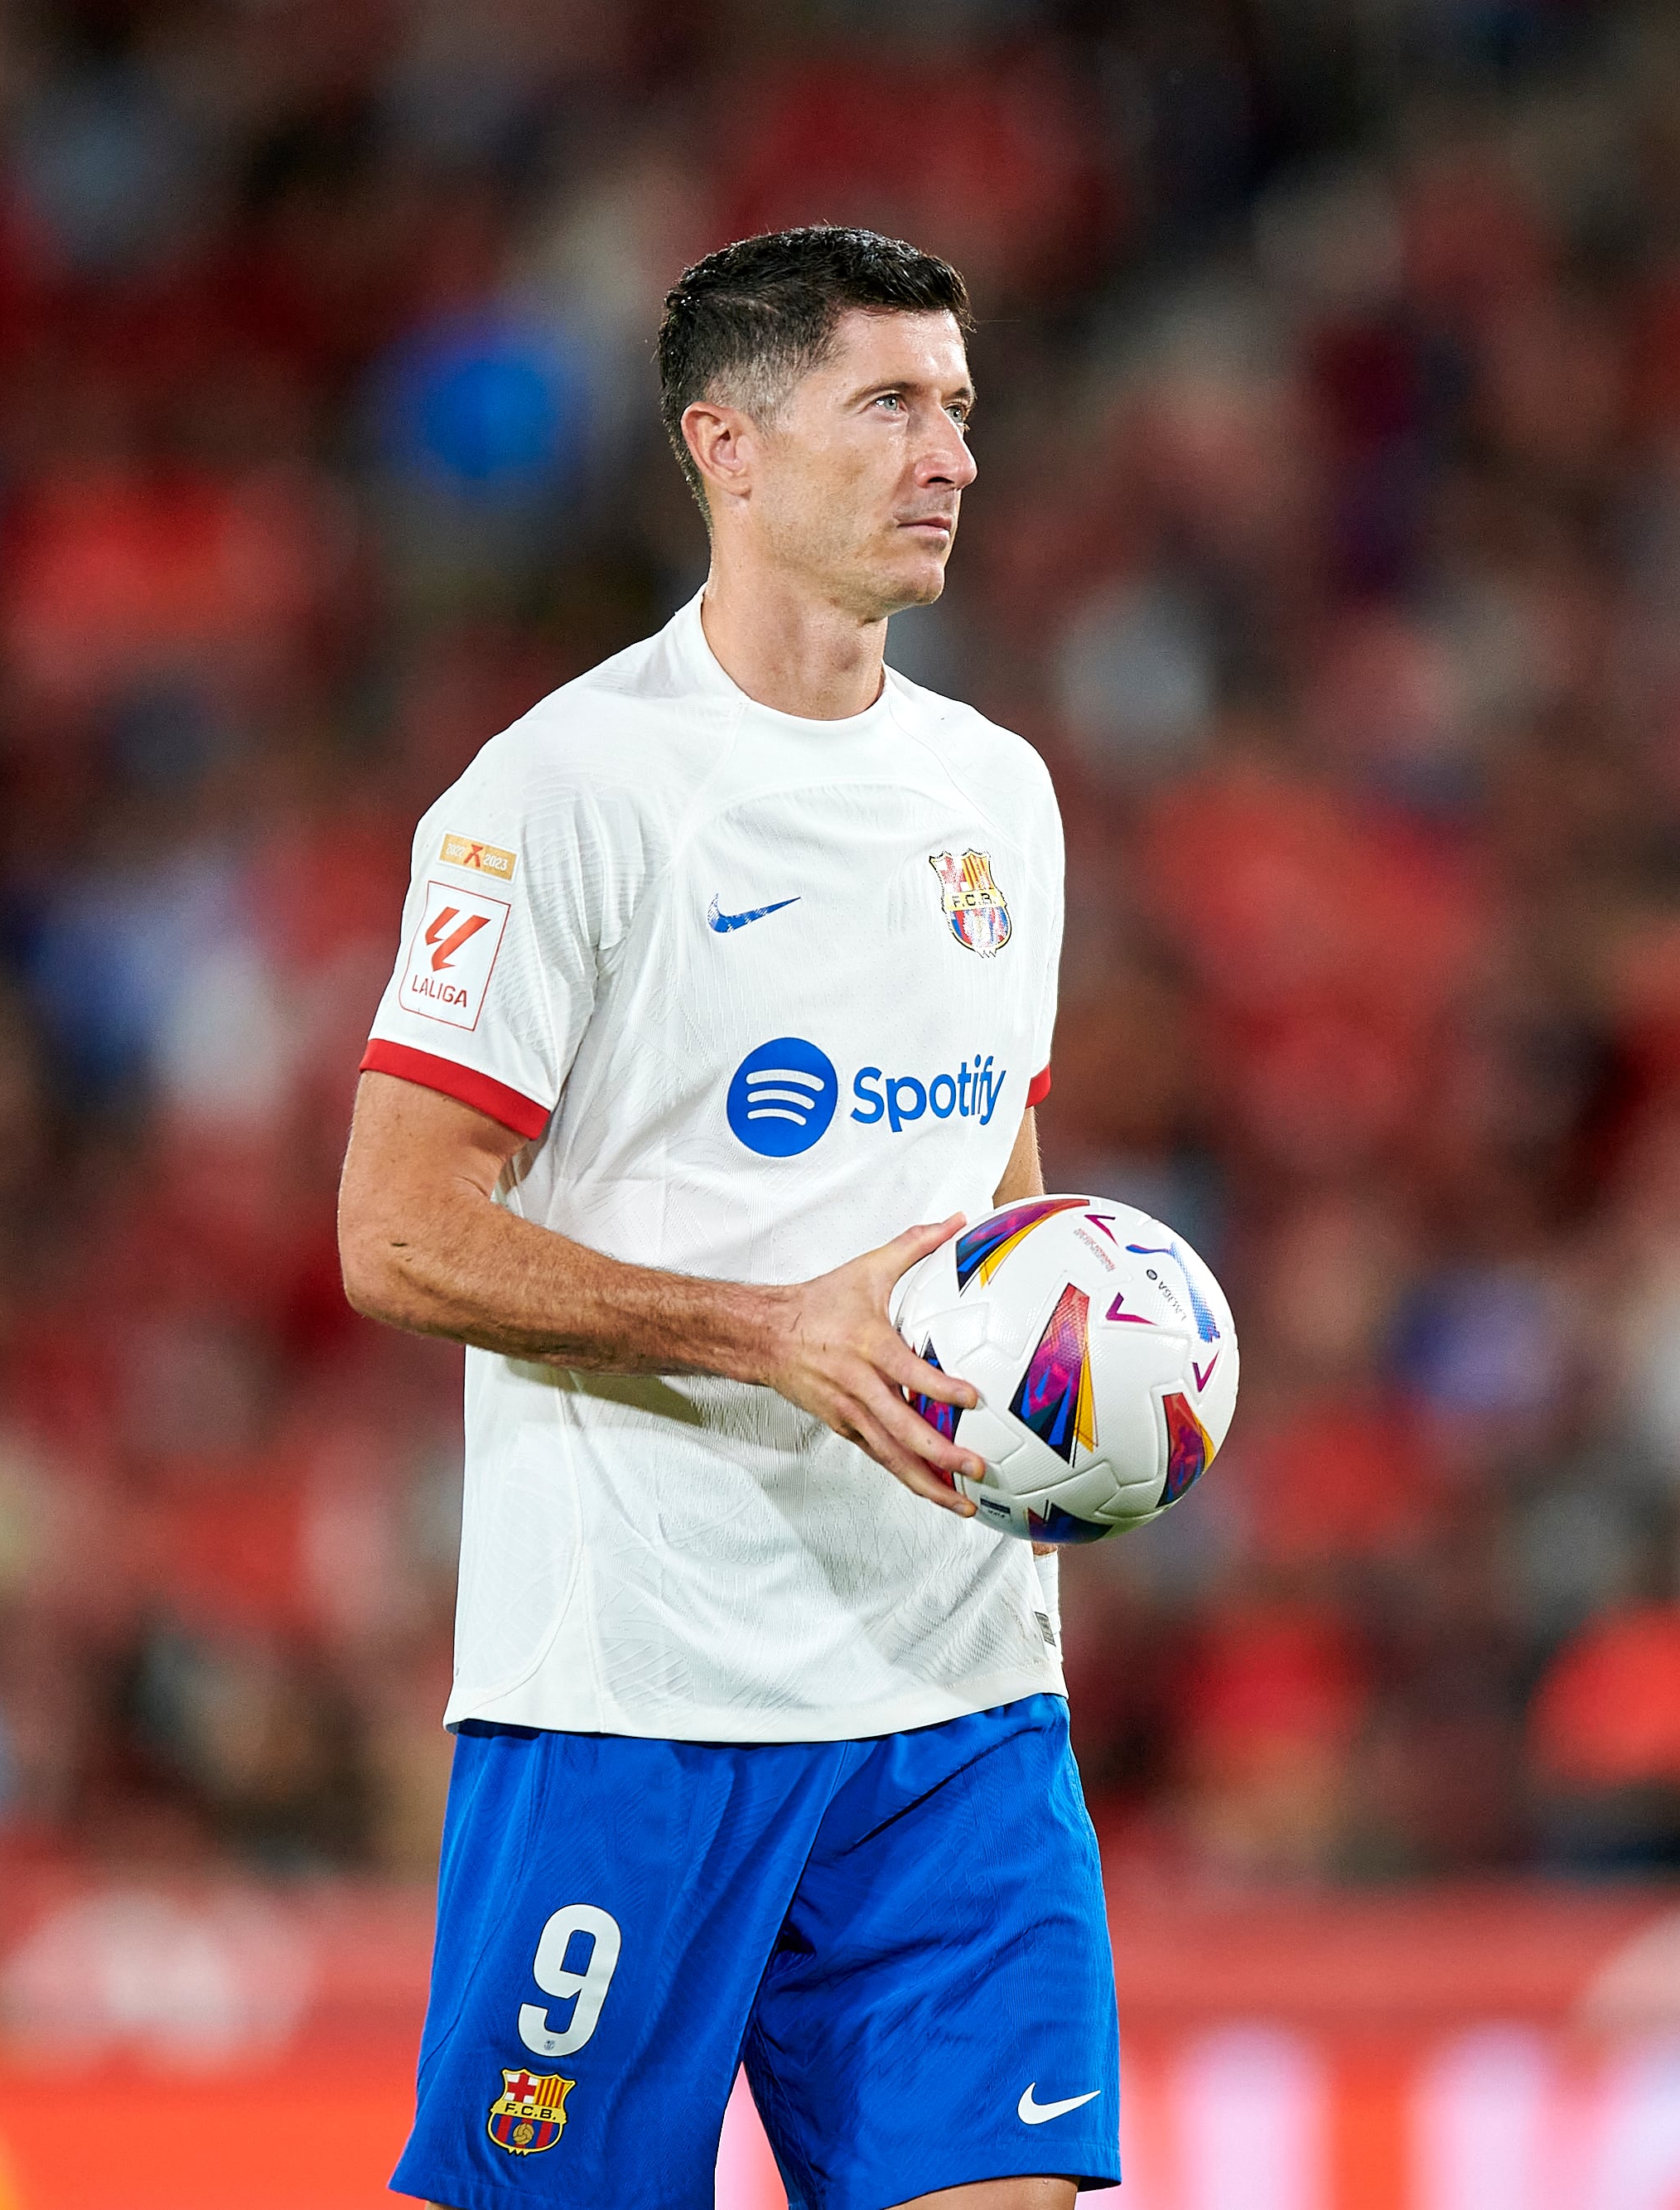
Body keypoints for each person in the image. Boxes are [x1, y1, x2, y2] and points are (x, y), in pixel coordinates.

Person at [339, 227, 1112, 2210]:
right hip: (639, 1711)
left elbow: (990, 1199)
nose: (947, 452)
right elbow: (398, 1229)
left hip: (954, 1712)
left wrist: (1065, 1401)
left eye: (956, 407)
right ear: (729, 448)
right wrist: (773, 1332)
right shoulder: (563, 795)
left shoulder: (997, 796)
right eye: (886, 405)